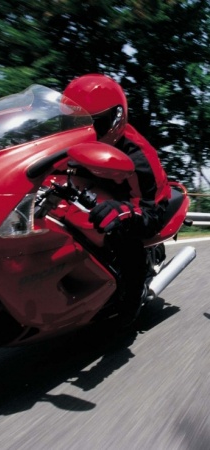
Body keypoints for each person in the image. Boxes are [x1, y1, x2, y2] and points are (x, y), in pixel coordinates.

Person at [63, 74, 171, 326]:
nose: (85, 132)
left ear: (116, 119)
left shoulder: (140, 156)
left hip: (139, 203)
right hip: (95, 191)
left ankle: (132, 299)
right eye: (75, 123)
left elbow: (152, 213)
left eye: (94, 124)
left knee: (122, 235)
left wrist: (124, 212)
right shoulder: (64, 140)